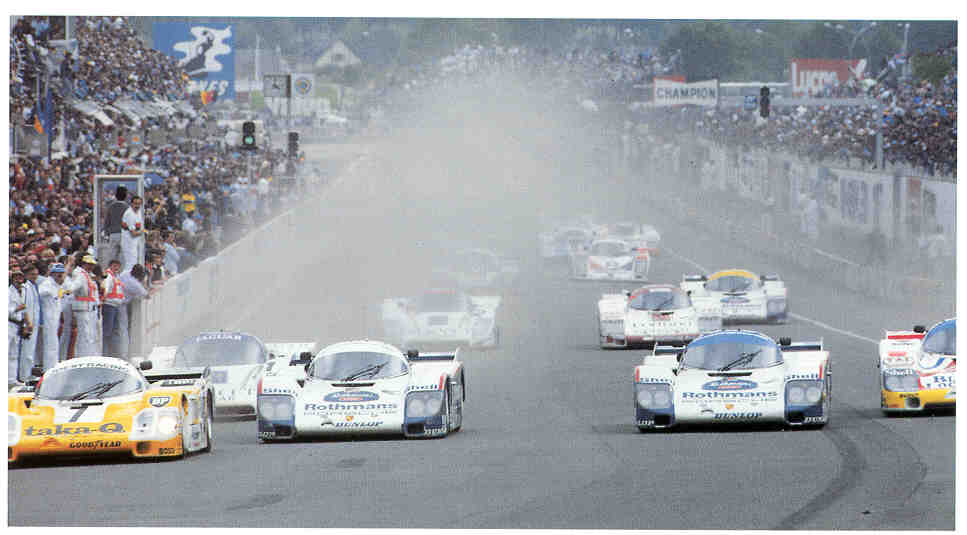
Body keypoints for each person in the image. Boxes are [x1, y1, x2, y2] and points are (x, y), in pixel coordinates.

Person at [66, 254, 101, 357]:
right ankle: (83, 356)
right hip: (83, 310)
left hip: (90, 310)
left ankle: (89, 356)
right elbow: (73, 287)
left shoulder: (88, 275)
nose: (91, 266)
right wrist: (68, 290)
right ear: (84, 264)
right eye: (88, 264)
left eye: (92, 264)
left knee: (90, 336)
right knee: (85, 336)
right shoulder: (80, 275)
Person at [119, 263, 154, 360]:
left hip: (119, 302)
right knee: (124, 330)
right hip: (122, 305)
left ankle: (124, 353)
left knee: (122, 330)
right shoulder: (133, 283)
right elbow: (147, 295)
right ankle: (125, 354)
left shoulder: (125, 273)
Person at [37, 262, 67, 371]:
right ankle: (49, 367)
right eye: (58, 274)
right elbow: (41, 292)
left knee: (54, 342)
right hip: (48, 317)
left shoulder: (58, 285)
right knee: (50, 343)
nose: (60, 276)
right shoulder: (47, 283)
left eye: (61, 274)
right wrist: (50, 292)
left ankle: (53, 365)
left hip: (56, 317)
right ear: (52, 274)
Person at [8, 269, 32, 386]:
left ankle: (11, 379)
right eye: (16, 278)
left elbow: (24, 311)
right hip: (8, 323)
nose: (18, 280)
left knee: (13, 354)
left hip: (17, 324)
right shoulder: (8, 292)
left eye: (20, 278)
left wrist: (26, 324)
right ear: (12, 279)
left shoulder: (22, 292)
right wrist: (17, 309)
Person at [101, 259, 125, 358]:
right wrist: (105, 295)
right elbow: (106, 287)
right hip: (109, 306)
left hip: (115, 306)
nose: (116, 268)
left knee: (114, 331)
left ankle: (113, 353)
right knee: (108, 332)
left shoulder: (116, 277)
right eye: (115, 266)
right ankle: (106, 353)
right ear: (110, 266)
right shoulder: (109, 276)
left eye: (118, 266)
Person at [21, 263, 42, 371]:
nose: (35, 276)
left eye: (36, 274)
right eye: (32, 274)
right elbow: (24, 307)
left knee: (31, 349)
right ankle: (25, 375)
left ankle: (29, 371)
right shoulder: (25, 288)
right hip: (28, 323)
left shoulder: (34, 286)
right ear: (26, 275)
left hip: (34, 322)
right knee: (27, 350)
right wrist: (27, 323)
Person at [103, 185, 128, 265]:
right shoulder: (128, 208)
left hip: (113, 234)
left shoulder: (111, 206)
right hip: (124, 235)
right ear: (126, 195)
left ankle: (110, 274)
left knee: (112, 258)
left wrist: (107, 234)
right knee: (123, 258)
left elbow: (106, 222)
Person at [120, 195, 144, 273]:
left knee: (134, 262)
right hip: (128, 242)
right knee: (130, 264)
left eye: (139, 204)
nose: (137, 206)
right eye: (135, 203)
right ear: (131, 204)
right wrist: (143, 232)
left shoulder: (138, 212)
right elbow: (133, 233)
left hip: (134, 242)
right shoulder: (129, 214)